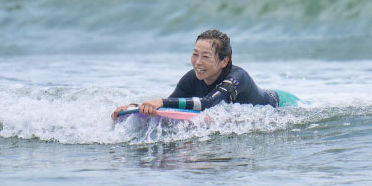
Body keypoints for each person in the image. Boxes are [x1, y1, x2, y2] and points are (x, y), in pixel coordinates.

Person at [111, 29, 279, 120]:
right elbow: (171, 106)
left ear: (224, 61)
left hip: (278, 104)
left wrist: (160, 101)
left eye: (205, 56)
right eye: (195, 54)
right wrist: (136, 107)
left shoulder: (237, 78)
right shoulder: (191, 78)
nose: (198, 62)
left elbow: (209, 102)